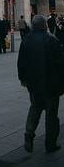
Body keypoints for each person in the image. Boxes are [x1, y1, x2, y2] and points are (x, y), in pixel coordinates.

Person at [18, 15, 64, 154]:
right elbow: (60, 63)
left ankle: (29, 133)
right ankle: (50, 144)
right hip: (51, 85)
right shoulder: (51, 40)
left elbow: (21, 63)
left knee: (35, 109)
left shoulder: (26, 40)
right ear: (45, 25)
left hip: (34, 85)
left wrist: (23, 79)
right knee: (51, 115)